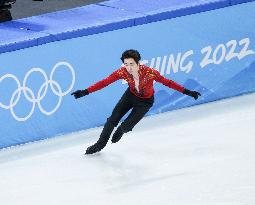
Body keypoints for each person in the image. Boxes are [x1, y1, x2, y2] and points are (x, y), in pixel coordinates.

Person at [71, 49, 201, 154]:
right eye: (126, 64)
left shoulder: (150, 73)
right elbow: (105, 82)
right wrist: (85, 91)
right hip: (130, 96)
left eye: (131, 64)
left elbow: (169, 83)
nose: (129, 67)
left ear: (138, 63)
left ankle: (122, 129)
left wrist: (188, 92)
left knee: (127, 125)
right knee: (112, 119)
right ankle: (100, 144)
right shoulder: (122, 72)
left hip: (145, 102)